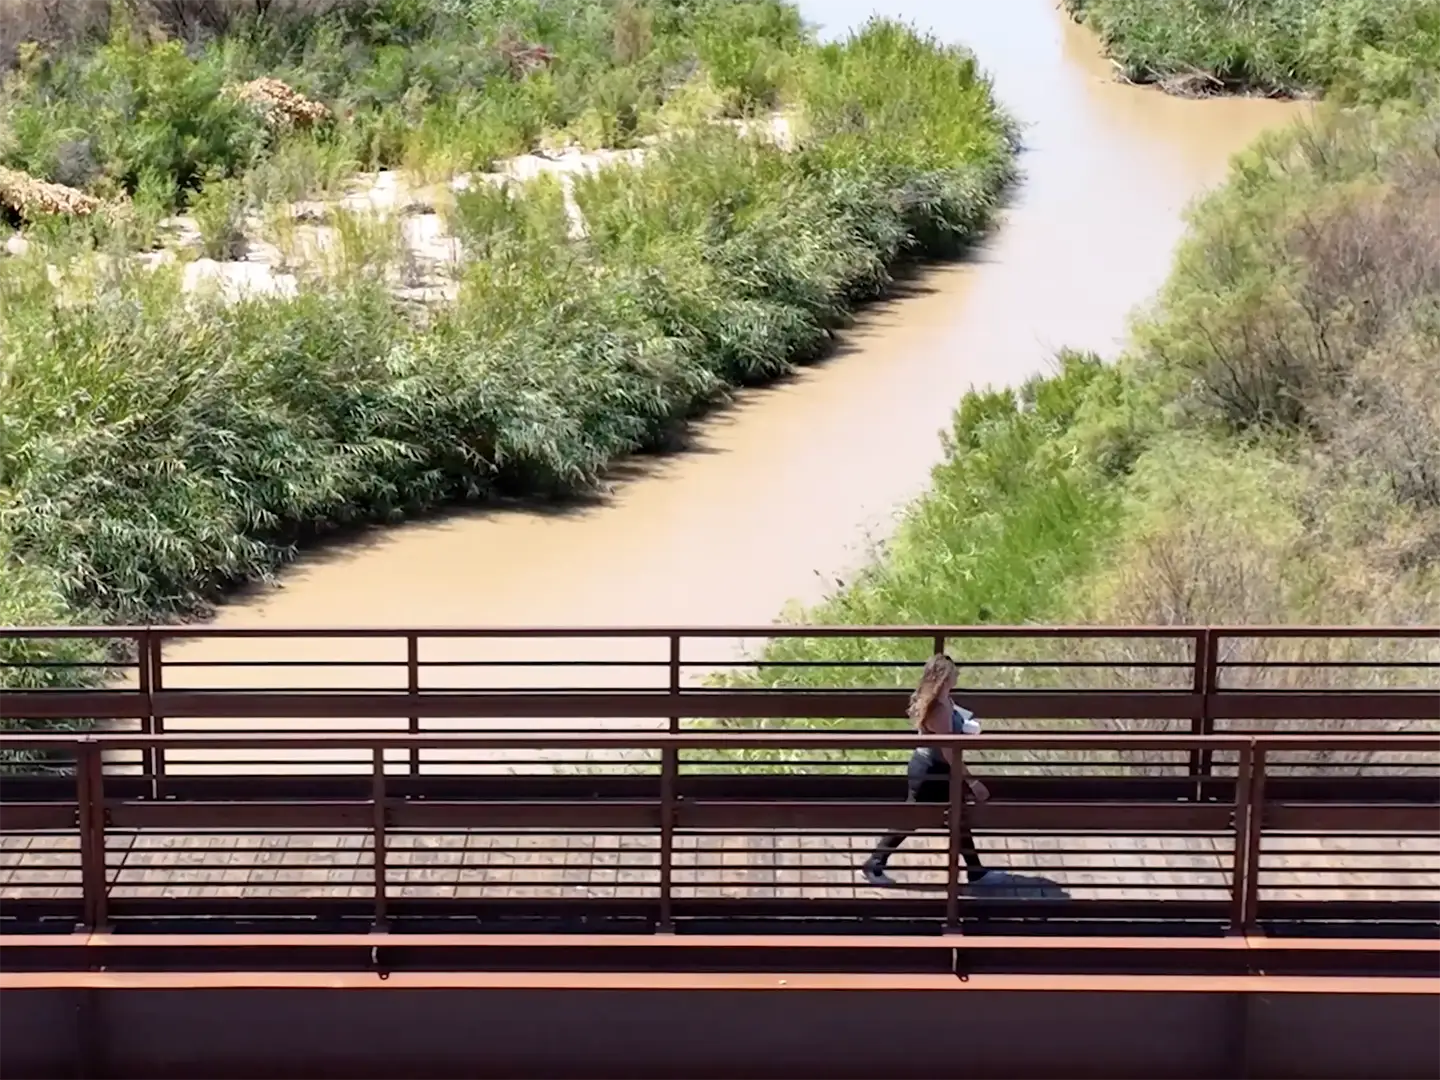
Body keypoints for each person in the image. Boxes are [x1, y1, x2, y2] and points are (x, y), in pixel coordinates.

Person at [861, 653, 993, 888]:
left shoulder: (944, 700)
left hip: (933, 768)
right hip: (931, 772)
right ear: (944, 677)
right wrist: (972, 782)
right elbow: (948, 750)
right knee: (916, 818)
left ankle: (976, 871)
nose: (958, 675)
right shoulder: (938, 708)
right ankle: (874, 862)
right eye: (954, 672)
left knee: (955, 816)